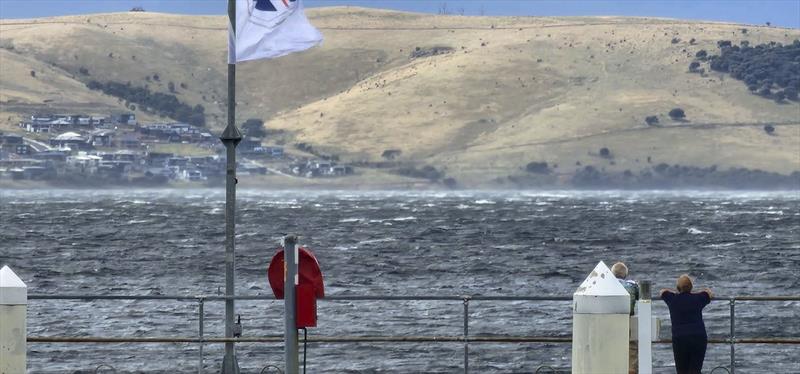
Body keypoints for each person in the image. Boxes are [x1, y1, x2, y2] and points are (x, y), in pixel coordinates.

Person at [661, 275, 713, 374]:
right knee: (695, 369)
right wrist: (696, 293)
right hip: (698, 337)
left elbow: (662, 292)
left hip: (680, 338)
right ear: (691, 288)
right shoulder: (698, 298)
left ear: (678, 288)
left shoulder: (672, 299)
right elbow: (708, 293)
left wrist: (675, 293)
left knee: (682, 370)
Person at [612, 262, 639, 374]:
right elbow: (640, 295)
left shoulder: (607, 285)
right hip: (627, 318)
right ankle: (631, 370)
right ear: (625, 274)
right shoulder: (632, 286)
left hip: (610, 320)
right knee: (631, 346)